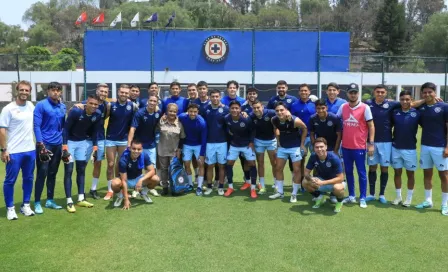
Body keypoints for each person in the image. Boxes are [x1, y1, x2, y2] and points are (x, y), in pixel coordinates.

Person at [0, 81, 36, 220]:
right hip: (14, 151)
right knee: (10, 180)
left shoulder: (31, 106)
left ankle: (25, 205)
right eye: (22, 90)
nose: (24, 92)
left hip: (30, 150)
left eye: (27, 90)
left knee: (28, 178)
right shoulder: (8, 109)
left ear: (29, 92)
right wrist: (4, 149)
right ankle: (10, 208)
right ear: (17, 91)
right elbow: (2, 130)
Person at [336, 83, 374, 208]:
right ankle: (351, 195)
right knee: (348, 171)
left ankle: (362, 197)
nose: (353, 94)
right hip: (345, 146)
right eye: (351, 92)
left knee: (361, 172)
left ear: (358, 93)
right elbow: (336, 120)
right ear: (347, 94)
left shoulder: (365, 107)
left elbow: (371, 126)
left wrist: (371, 143)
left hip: (359, 147)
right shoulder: (343, 107)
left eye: (355, 92)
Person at [62, 95, 102, 213]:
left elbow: (95, 132)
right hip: (70, 143)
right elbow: (66, 129)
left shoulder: (97, 115)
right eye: (91, 104)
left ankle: (80, 199)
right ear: (86, 104)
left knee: (81, 170)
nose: (94, 106)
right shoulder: (75, 112)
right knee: (69, 171)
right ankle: (69, 201)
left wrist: (95, 148)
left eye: (96, 104)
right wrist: (65, 147)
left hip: (82, 143)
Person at [33, 82, 66, 214]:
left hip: (58, 144)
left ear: (61, 92)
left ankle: (50, 200)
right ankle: (36, 202)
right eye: (53, 90)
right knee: (42, 173)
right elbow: (36, 126)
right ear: (48, 91)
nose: (56, 92)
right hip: (45, 144)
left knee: (52, 173)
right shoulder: (41, 105)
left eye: (58, 90)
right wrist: (41, 144)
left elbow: (63, 127)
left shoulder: (62, 106)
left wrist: (64, 144)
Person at [415, 82, 448, 215]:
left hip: (440, 147)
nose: (428, 94)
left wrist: (447, 146)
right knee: (427, 174)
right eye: (425, 92)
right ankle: (428, 200)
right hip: (425, 146)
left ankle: (445, 204)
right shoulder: (421, 108)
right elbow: (409, 105)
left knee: (444, 176)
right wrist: (424, 100)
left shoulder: (444, 106)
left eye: (430, 92)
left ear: (435, 92)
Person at [364, 85, 401, 204]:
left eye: (382, 92)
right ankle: (371, 194)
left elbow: (409, 103)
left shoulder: (392, 104)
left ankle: (382, 195)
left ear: (386, 93)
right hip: (371, 142)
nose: (380, 94)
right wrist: (370, 142)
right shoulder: (367, 103)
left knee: (384, 167)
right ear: (374, 92)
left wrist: (429, 100)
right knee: (372, 167)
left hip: (386, 142)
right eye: (378, 92)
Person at [270, 102, 308, 203]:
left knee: (296, 170)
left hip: (295, 147)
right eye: (277, 110)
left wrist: (302, 144)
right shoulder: (274, 120)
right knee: (278, 168)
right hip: (282, 147)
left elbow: (304, 128)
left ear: (286, 110)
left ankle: (294, 193)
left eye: (281, 110)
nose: (279, 112)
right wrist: (278, 141)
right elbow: (275, 129)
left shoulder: (295, 120)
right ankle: (280, 192)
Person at [104, 84, 137, 201]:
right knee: (111, 164)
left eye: (126, 93)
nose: (124, 94)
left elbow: (137, 119)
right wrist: (81, 104)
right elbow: (100, 114)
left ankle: (120, 187)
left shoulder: (132, 106)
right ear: (118, 92)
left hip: (124, 140)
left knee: (120, 164)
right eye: (122, 92)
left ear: (129, 94)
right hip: (110, 139)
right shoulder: (110, 105)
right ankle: (110, 190)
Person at [128, 94, 162, 196]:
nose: (152, 103)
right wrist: (129, 144)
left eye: (154, 101)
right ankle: (135, 188)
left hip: (151, 144)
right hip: (139, 146)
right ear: (147, 101)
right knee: (138, 167)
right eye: (150, 100)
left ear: (157, 103)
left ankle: (147, 189)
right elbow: (132, 129)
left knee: (152, 168)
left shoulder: (158, 113)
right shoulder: (140, 113)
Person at [391, 90, 420, 207]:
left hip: (410, 149)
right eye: (402, 99)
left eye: (407, 99)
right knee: (397, 172)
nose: (405, 101)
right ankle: (398, 197)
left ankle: (408, 199)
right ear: (400, 100)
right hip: (396, 148)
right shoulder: (395, 112)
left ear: (411, 100)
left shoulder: (417, 113)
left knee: (410, 174)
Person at [223, 101, 258, 199]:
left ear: (240, 109)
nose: (234, 110)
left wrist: (251, 142)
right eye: (232, 108)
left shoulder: (246, 118)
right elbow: (227, 130)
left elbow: (253, 130)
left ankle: (253, 188)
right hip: (234, 145)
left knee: (252, 164)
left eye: (236, 108)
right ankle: (230, 187)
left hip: (247, 145)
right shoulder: (226, 118)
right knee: (229, 164)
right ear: (229, 109)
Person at [112, 139, 160, 209]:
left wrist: (141, 180)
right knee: (114, 183)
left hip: (138, 178)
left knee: (156, 179)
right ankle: (120, 196)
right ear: (130, 148)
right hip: (127, 180)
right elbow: (124, 181)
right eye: (134, 149)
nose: (136, 151)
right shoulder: (123, 159)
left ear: (142, 149)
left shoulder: (144, 155)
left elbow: (152, 171)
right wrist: (126, 199)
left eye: (139, 149)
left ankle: (143, 193)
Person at [302, 138, 345, 213]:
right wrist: (311, 178)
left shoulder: (334, 158)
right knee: (305, 182)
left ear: (326, 147)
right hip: (321, 180)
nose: (319, 149)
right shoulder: (313, 156)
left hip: (335, 182)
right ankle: (320, 198)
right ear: (314, 148)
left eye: (321, 147)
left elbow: (341, 178)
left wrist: (322, 183)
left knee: (338, 188)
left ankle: (339, 202)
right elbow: (306, 173)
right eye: (317, 147)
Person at [201, 90, 229, 196]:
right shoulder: (205, 109)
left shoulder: (226, 109)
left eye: (217, 96)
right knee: (210, 165)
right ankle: (209, 186)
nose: (215, 98)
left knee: (222, 166)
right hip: (209, 143)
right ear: (209, 97)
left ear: (220, 97)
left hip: (222, 142)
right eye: (213, 96)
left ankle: (220, 187)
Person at [85, 83, 109, 200]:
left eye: (105, 92)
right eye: (102, 91)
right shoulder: (87, 102)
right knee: (82, 164)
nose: (103, 93)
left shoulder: (106, 105)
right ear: (97, 91)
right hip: (85, 138)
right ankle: (81, 189)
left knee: (98, 163)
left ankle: (93, 189)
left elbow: (103, 118)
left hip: (100, 138)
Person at [157, 103, 186, 195]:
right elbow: (153, 130)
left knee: (174, 170)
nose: (172, 113)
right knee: (164, 169)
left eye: (174, 111)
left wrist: (179, 149)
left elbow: (182, 138)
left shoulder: (179, 124)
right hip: (162, 150)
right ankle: (165, 188)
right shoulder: (161, 122)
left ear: (177, 112)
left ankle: (175, 188)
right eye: (170, 111)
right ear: (167, 111)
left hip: (174, 151)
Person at [178, 104, 207, 195]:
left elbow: (204, 140)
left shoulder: (202, 122)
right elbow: (174, 117)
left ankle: (199, 186)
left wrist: (202, 154)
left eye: (195, 112)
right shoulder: (183, 117)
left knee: (201, 164)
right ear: (188, 112)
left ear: (198, 112)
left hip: (198, 145)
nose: (193, 113)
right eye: (191, 111)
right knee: (186, 164)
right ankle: (190, 184)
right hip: (187, 145)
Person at [250, 100, 277, 194]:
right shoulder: (251, 116)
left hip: (271, 141)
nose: (256, 109)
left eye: (258, 107)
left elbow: (283, 112)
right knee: (260, 163)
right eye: (254, 108)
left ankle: (276, 184)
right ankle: (262, 186)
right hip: (258, 141)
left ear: (262, 107)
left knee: (274, 163)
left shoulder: (271, 113)